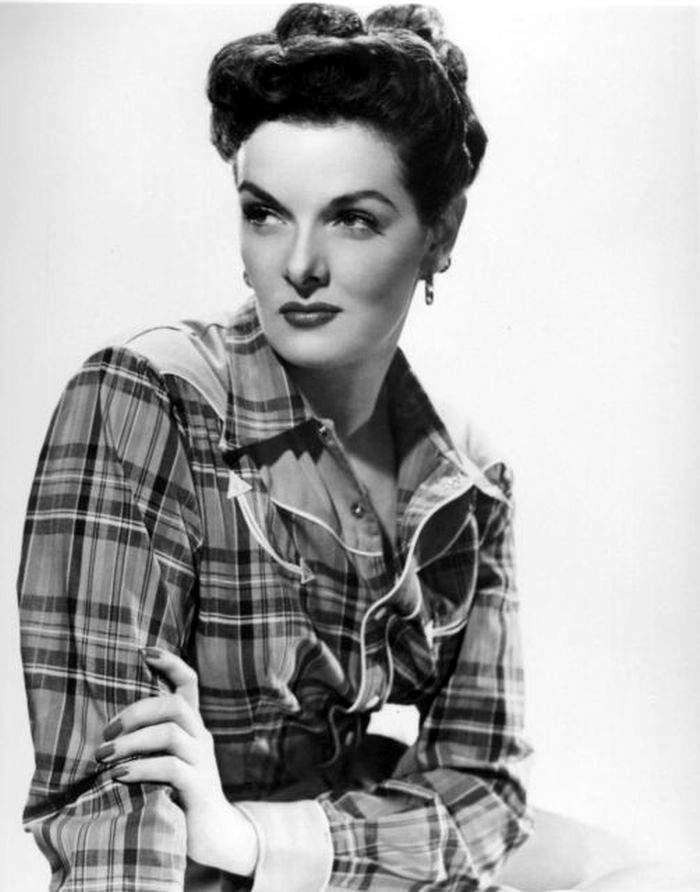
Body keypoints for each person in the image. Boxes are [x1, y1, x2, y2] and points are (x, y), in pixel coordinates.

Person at [17, 4, 696, 892]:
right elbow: (107, 814)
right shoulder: (147, 399)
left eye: (354, 220)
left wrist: (256, 839)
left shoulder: (465, 478)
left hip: (338, 859)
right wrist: (220, 849)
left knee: (641, 874)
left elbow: (486, 789)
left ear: (439, 235)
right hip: (188, 875)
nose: (299, 264)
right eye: (266, 214)